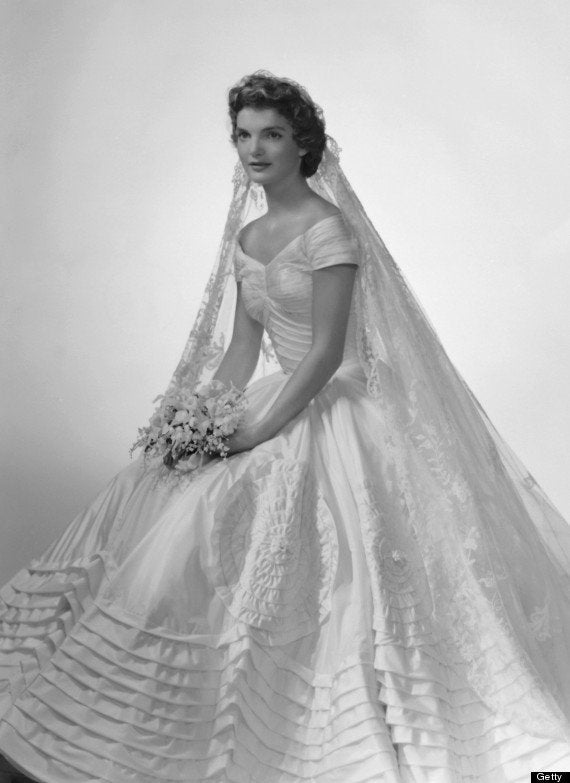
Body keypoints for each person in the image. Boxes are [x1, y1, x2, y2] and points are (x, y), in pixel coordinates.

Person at [0, 71, 569, 783]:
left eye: (271, 133)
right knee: (170, 500)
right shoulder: (249, 233)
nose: (254, 148)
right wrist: (201, 419)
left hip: (333, 400)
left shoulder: (329, 228)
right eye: (243, 135)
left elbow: (328, 352)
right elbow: (242, 348)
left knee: (320, 552)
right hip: (274, 391)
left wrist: (257, 430)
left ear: (304, 144)